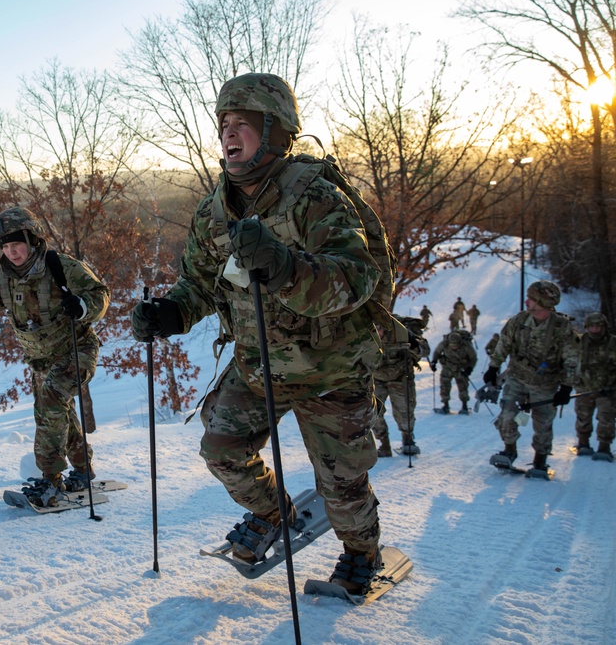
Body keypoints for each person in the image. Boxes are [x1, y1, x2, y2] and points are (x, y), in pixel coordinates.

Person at [130, 72, 389, 596]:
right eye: (223, 123)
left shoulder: (315, 198)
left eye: (241, 123)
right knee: (222, 447)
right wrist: (171, 315)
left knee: (342, 485)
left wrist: (285, 267)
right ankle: (274, 513)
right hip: (260, 364)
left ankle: (362, 553)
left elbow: (356, 278)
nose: (228, 133)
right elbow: (200, 284)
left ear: (275, 132)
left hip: (330, 368)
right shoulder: (216, 210)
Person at [0, 207, 111, 506]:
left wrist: (80, 306)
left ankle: (51, 480)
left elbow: (100, 294)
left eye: (16, 244)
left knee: (52, 403)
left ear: (31, 239)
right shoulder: (2, 277)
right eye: (5, 246)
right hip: (41, 359)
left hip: (76, 349)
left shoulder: (60, 266)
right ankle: (82, 470)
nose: (11, 251)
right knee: (58, 412)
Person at [483, 281, 579, 471]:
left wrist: (566, 387)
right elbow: (503, 344)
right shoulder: (518, 321)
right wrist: (493, 368)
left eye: (532, 299)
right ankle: (509, 451)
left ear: (543, 303)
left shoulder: (562, 327)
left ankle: (540, 461)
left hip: (546, 383)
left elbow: (571, 358)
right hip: (517, 378)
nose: (527, 302)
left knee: (543, 424)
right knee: (506, 416)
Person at [373, 316, 429, 456]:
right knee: (373, 411)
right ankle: (384, 443)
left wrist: (412, 343)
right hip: (377, 378)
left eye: (379, 329)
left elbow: (425, 350)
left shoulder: (400, 332)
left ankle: (408, 439)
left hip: (401, 377)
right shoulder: (365, 336)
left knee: (404, 410)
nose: (377, 334)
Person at [572, 312, 616, 460]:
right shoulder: (579, 342)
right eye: (592, 326)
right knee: (583, 417)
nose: (595, 329)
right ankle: (583, 443)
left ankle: (604, 446)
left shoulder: (613, 343)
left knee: (606, 418)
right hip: (584, 387)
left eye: (598, 326)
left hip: (607, 389)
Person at [431, 331, 477, 414]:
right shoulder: (444, 343)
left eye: (456, 345)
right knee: (444, 386)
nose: (454, 347)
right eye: (452, 345)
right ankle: (445, 405)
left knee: (463, 387)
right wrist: (434, 362)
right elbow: (437, 352)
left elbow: (473, 358)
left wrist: (469, 368)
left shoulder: (466, 345)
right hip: (448, 367)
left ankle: (464, 405)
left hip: (461, 368)